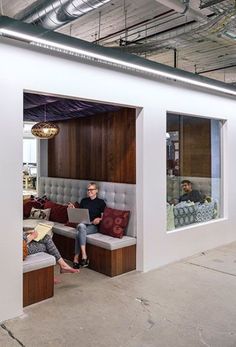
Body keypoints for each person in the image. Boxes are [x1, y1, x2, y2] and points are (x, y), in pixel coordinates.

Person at [68, 182, 106, 269]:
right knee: (81, 226)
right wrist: (73, 209)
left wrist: (99, 219)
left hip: (93, 226)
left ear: (96, 191)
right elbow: (80, 215)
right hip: (83, 224)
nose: (89, 191)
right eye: (88, 190)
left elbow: (103, 217)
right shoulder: (84, 201)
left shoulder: (101, 202)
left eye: (91, 189)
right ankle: (84, 256)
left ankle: (76, 258)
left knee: (79, 233)